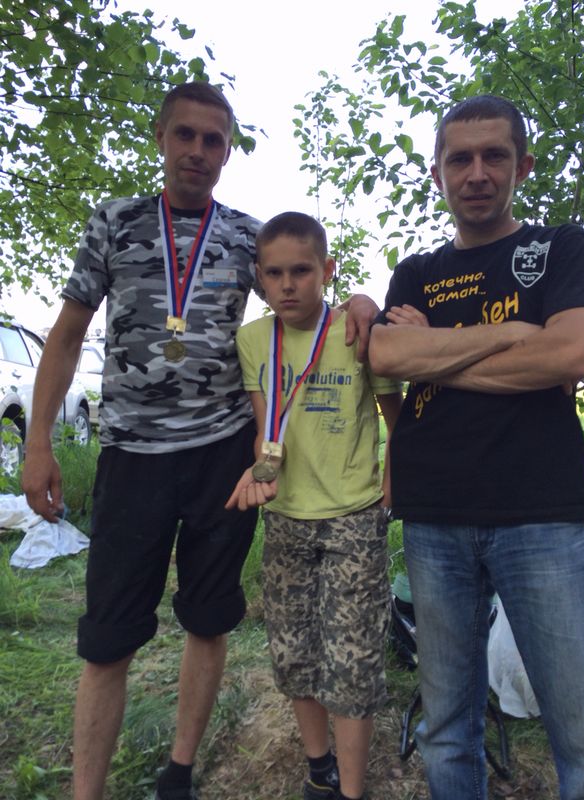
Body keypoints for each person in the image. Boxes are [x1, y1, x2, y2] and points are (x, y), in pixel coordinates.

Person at [21, 83, 376, 800]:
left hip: (221, 456)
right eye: (185, 134)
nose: (198, 150)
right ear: (161, 138)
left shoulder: (246, 236)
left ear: (227, 152)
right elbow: (66, 335)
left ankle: (179, 772)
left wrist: (361, 303)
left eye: (213, 140)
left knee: (208, 621)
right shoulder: (115, 221)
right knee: (108, 637)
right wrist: (38, 444)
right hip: (132, 456)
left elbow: (300, 304)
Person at [369, 94, 584, 800]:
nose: (476, 173)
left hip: (542, 515)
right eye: (459, 159)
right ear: (437, 172)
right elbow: (387, 353)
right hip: (434, 515)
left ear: (522, 166)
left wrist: (435, 352)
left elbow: (570, 354)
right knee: (446, 729)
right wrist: (514, 336)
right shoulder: (415, 273)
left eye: (494, 156)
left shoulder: (562, 248)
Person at [225, 211, 403, 800]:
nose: (287, 285)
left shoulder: (357, 330)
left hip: (353, 518)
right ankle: (319, 767)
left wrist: (391, 482)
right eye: (274, 273)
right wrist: (260, 472)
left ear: (327, 270)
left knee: (352, 663)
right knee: (294, 653)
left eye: (301, 271)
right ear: (259, 276)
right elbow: (265, 431)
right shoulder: (253, 340)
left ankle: (351, 789)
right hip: (285, 520)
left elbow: (395, 417)